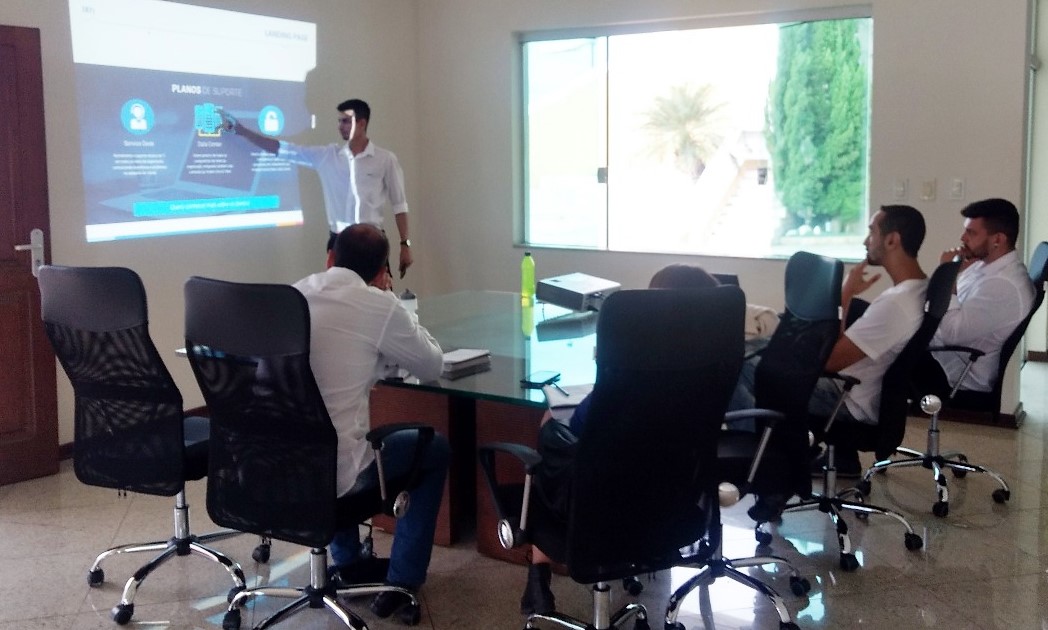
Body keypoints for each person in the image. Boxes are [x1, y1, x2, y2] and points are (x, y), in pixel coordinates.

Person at [520, 264, 722, 616]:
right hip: (672, 507)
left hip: (603, 507)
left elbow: (583, 424)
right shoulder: (713, 363)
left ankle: (538, 575)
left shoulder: (636, 363)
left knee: (549, 431)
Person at [292, 224, 446, 620]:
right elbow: (432, 365)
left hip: (277, 463)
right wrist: (390, 300)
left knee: (329, 431)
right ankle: (403, 578)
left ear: (330, 258)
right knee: (435, 447)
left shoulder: (291, 295)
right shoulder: (378, 305)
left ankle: (347, 561)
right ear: (381, 273)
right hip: (340, 475)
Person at [224, 99, 414, 278]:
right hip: (340, 242)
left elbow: (399, 205)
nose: (340, 126)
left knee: (379, 295)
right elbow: (284, 150)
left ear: (362, 123)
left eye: (346, 121)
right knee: (339, 295)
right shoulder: (327, 157)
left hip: (373, 241)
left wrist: (405, 244)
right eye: (339, 121)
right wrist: (242, 131)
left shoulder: (385, 159)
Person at [912, 198, 1035, 398]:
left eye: (971, 233)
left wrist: (948, 274)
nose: (963, 237)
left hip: (955, 371)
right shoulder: (985, 264)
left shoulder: (1003, 285)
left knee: (878, 347)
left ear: (998, 239)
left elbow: (951, 334)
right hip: (940, 349)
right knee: (874, 320)